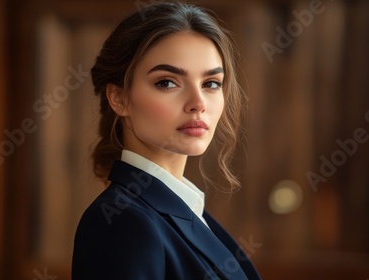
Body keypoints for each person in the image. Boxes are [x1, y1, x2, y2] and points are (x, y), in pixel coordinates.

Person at [72, 2, 262, 279]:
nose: (198, 103)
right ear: (119, 97)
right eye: (167, 82)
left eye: (211, 83)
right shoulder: (122, 222)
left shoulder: (186, 210)